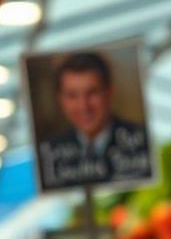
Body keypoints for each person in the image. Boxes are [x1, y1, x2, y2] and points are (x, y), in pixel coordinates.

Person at [38, 51, 152, 190]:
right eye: (72, 96)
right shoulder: (50, 156)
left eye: (92, 93)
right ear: (61, 100)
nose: (83, 106)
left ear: (109, 93)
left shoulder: (142, 142)